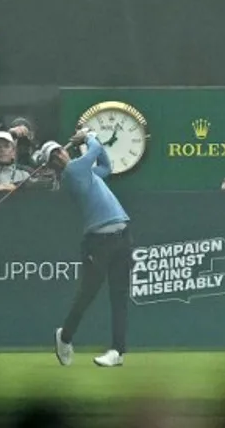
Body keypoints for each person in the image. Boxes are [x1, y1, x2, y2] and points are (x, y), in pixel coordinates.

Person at [50, 129, 131, 368]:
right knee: (87, 294)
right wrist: (88, 135)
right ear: (54, 165)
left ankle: (117, 351)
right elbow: (95, 150)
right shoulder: (73, 172)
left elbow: (106, 164)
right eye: (53, 157)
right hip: (98, 241)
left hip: (122, 236)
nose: (59, 156)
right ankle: (64, 336)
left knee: (119, 297)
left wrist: (89, 140)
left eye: (59, 151)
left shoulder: (87, 173)